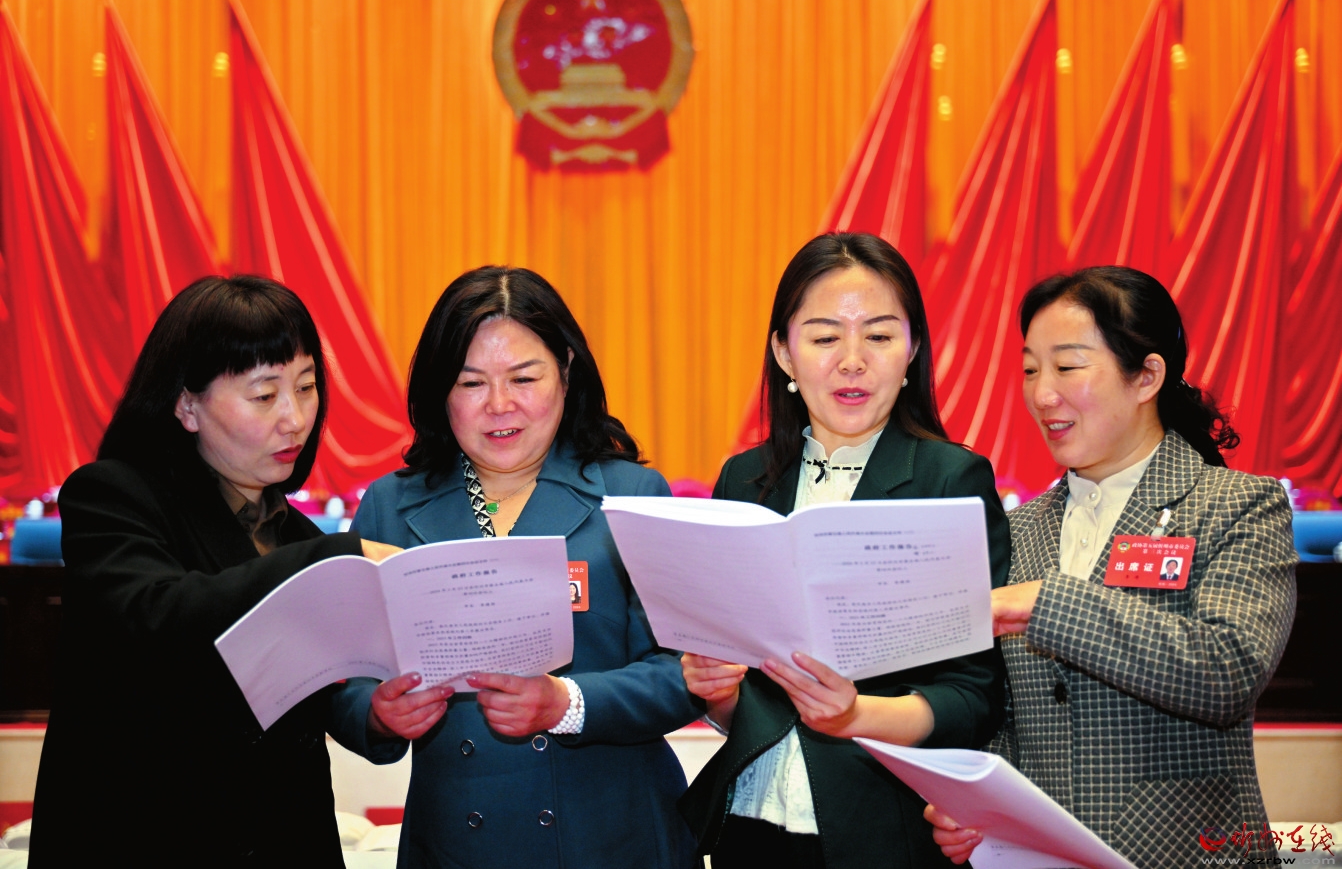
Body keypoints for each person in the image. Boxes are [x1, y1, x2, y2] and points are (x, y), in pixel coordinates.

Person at [29, 276, 417, 865]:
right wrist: (331, 561)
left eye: (306, 387)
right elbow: (157, 618)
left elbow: (309, 698)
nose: (295, 418)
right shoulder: (113, 497)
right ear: (187, 405)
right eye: (264, 396)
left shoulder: (297, 538)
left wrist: (378, 718)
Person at [926, 266, 1297, 868]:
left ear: (1147, 376)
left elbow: (1227, 669)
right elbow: (1006, 713)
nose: (1043, 394)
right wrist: (973, 803)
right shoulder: (1018, 530)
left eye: (1068, 366)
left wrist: (1046, 604)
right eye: (1030, 370)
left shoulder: (1236, 505)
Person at [338, 266, 702, 868]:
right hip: (456, 842)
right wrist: (377, 715)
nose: (499, 405)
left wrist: (567, 702)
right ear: (440, 390)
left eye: (524, 378)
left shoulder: (634, 496)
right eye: (471, 382)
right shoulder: (390, 507)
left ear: (566, 370)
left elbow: (683, 673)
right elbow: (341, 678)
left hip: (612, 837)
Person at [678, 232, 1011, 868]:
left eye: (879, 336)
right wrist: (714, 689)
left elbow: (973, 695)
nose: (852, 361)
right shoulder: (744, 481)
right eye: (825, 337)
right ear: (784, 352)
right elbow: (740, 696)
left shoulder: (950, 480)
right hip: (751, 821)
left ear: (913, 349)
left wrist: (857, 713)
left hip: (886, 829)